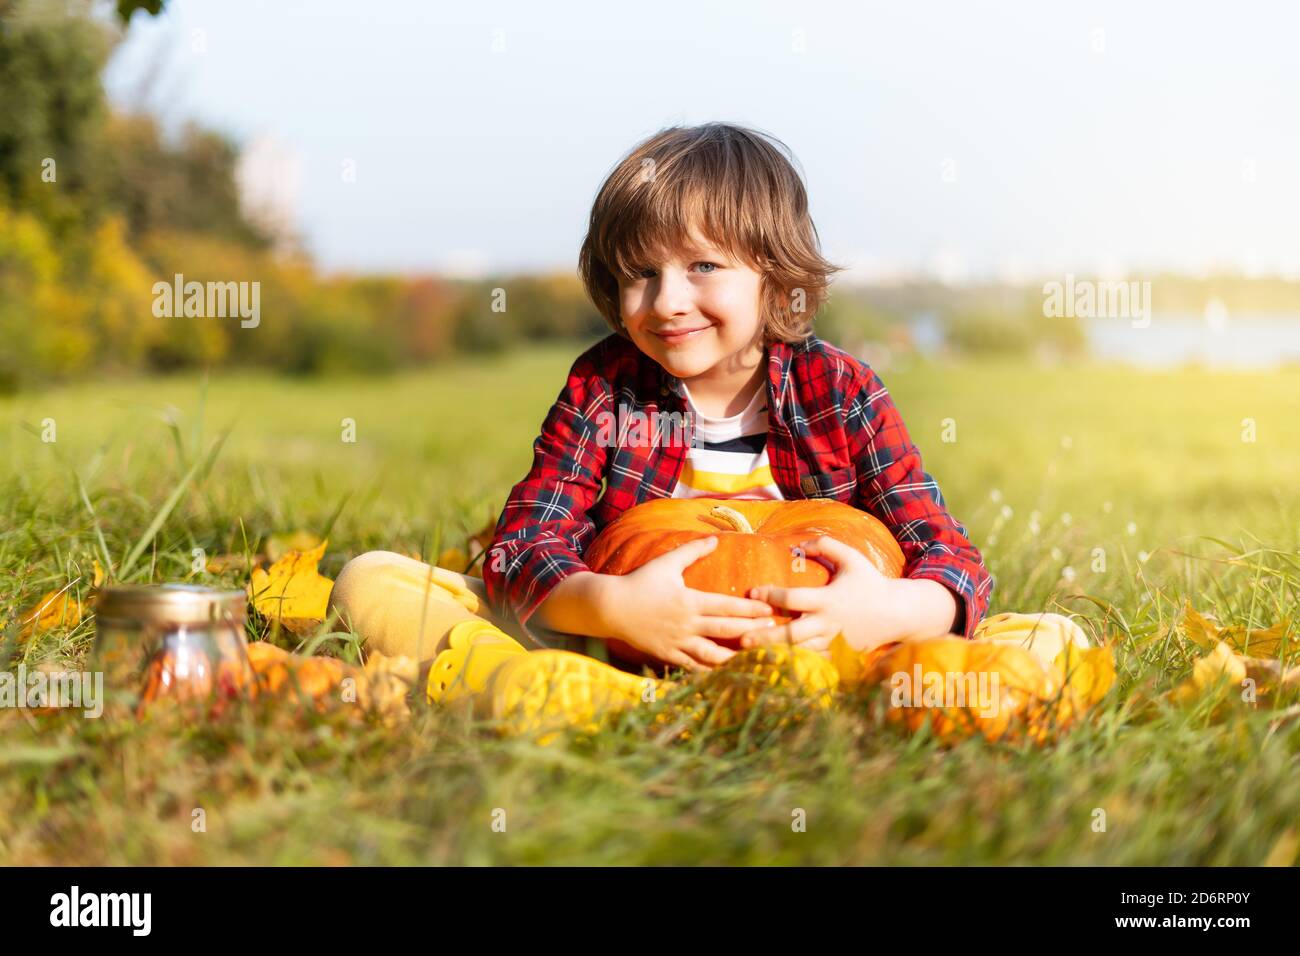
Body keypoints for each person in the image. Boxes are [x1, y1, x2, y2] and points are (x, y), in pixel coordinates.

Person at [328, 122, 994, 732]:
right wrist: (611, 607)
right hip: (618, 652)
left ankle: (552, 689)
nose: (668, 302)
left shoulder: (842, 394)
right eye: (641, 274)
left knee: (1048, 637)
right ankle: (609, 695)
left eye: (703, 267)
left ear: (775, 273)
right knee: (370, 580)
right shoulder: (604, 389)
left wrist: (883, 612)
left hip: (821, 658)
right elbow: (522, 544)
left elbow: (949, 555)